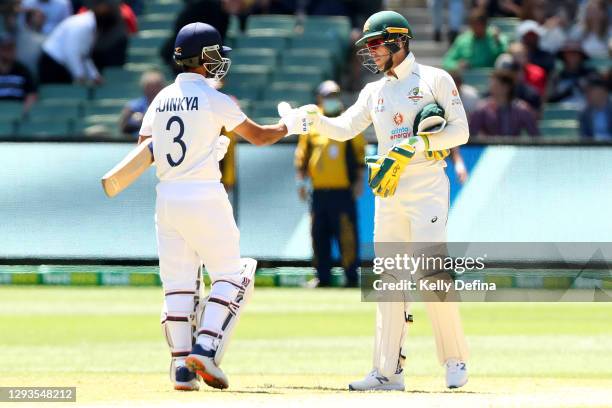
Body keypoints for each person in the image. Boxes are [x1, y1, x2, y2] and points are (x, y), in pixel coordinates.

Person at [281, 10, 470, 391]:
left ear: (399, 40)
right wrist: (314, 118)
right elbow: (345, 127)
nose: (370, 51)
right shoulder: (373, 91)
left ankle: (455, 360)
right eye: (368, 44)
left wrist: (418, 144)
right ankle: (387, 372)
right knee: (389, 279)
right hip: (389, 190)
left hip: (427, 187)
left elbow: (460, 132)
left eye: (376, 43)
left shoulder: (434, 79)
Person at [137, 22, 311, 392]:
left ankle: (181, 370)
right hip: (203, 194)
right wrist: (289, 125)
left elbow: (144, 148)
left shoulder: (161, 97)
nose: (220, 62)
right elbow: (260, 136)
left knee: (178, 287)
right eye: (216, 54)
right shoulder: (214, 97)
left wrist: (198, 148)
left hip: (167, 197)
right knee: (233, 275)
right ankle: (206, 346)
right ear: (204, 58)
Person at [294, 80, 366, 288]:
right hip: (319, 191)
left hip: (342, 191)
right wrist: (301, 183)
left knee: (347, 234)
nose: (331, 100)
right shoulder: (312, 124)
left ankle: (351, 276)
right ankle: (322, 276)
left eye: (334, 95)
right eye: (327, 96)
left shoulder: (348, 121)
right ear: (319, 99)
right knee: (319, 234)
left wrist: (359, 181)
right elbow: (302, 156)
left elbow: (360, 155)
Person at [37, 0, 117, 84]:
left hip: (61, 64)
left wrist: (94, 76)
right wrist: (79, 75)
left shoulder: (89, 25)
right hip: (52, 63)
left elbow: (84, 55)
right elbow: (71, 52)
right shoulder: (82, 25)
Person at [469, 70, 540, 137]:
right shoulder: (482, 109)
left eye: (496, 85)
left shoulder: (522, 109)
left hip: (514, 149)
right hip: (489, 149)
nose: (492, 88)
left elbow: (535, 136)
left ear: (506, 87)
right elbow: (471, 135)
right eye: (491, 85)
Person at [442, 8, 507, 71]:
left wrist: (498, 43)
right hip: (468, 79)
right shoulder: (463, 40)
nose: (477, 30)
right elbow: (447, 61)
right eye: (474, 26)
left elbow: (504, 55)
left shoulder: (495, 37)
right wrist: (457, 65)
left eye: (480, 25)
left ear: (485, 25)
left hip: (492, 78)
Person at [548, 40, 595, 108]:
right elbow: (550, 99)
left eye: (575, 53)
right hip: (561, 114)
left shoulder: (590, 74)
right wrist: (571, 90)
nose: (572, 56)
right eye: (569, 53)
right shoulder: (557, 75)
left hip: (585, 113)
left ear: (581, 56)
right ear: (564, 55)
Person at [119, 69, 165, 138]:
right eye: (149, 86)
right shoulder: (132, 107)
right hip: (136, 143)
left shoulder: (169, 106)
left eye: (157, 86)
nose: (153, 90)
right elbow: (123, 128)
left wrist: (144, 119)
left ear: (163, 87)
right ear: (143, 87)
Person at [0, 33, 37, 114]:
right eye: (5, 48)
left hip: (17, 116)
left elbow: (31, 94)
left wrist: (25, 112)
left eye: (11, 48)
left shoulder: (23, 70)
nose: (8, 52)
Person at [579, 75, 612, 141]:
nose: (587, 94)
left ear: (602, 91)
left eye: (590, 90)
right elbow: (584, 137)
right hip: (593, 149)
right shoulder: (585, 113)